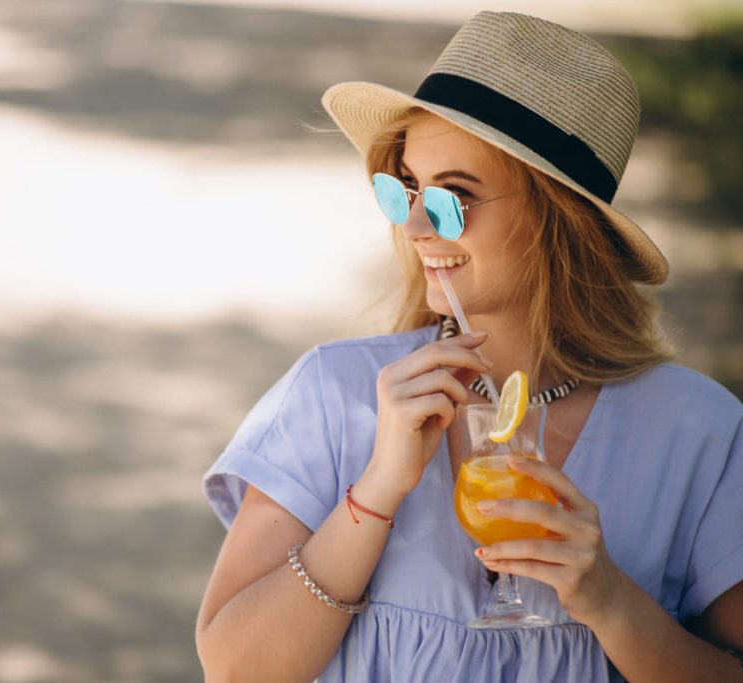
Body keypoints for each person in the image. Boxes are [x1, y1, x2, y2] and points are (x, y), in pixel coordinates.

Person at [193, 10, 743, 683]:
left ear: (556, 218)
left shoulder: (701, 433)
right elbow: (233, 669)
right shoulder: (333, 392)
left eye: (454, 196)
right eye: (407, 190)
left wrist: (610, 599)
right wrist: (376, 490)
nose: (418, 226)